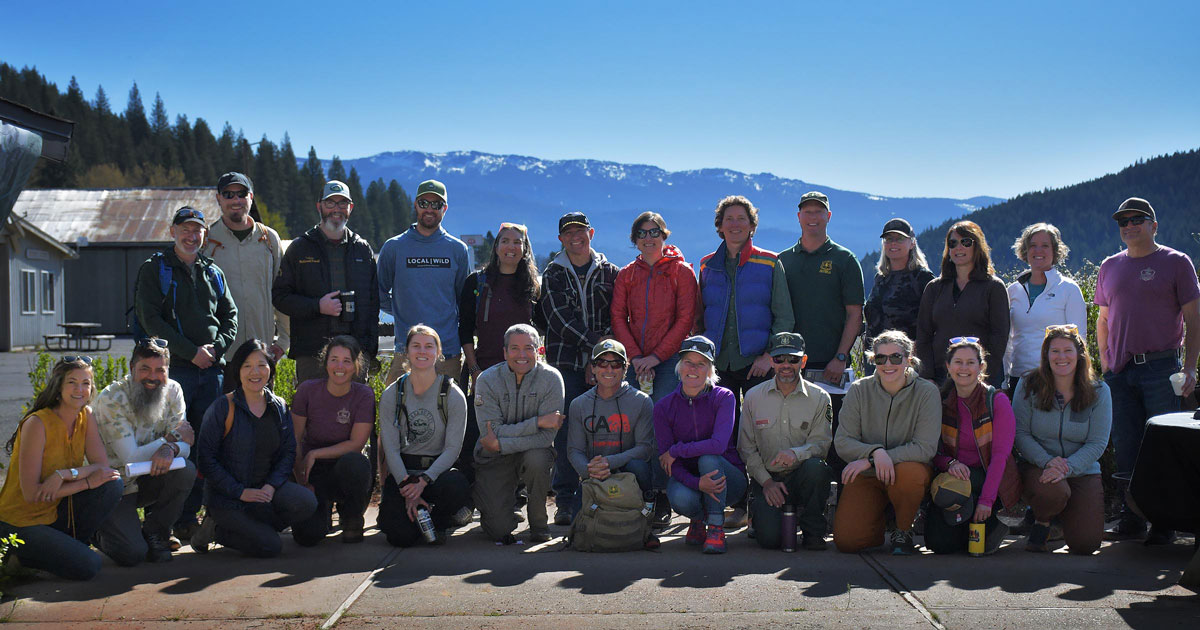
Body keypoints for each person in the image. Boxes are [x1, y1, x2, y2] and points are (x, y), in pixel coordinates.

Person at [1095, 197, 1199, 543]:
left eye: (1137, 219)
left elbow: (1193, 318)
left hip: (1161, 368)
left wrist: (1191, 367)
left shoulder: (1176, 262)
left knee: (1163, 446)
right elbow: (1104, 318)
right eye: (1123, 221)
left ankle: (1163, 521)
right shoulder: (1109, 266)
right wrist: (1106, 360)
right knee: (1126, 444)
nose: (1129, 225)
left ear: (1154, 225)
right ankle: (1132, 515)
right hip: (1120, 372)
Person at [133, 205, 237, 541]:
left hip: (211, 371)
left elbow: (230, 316)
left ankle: (190, 519)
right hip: (172, 371)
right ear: (173, 231)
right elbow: (151, 320)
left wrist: (215, 350)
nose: (192, 236)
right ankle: (159, 523)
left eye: (198, 230)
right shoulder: (155, 269)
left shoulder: (212, 271)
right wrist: (190, 353)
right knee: (166, 440)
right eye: (185, 230)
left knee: (205, 444)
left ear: (205, 235)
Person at [697, 196, 795, 529]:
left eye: (741, 218)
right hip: (719, 364)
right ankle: (736, 500)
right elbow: (700, 316)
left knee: (756, 434)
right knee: (723, 434)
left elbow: (783, 316)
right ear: (719, 226)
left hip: (758, 363)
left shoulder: (770, 262)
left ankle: (759, 500)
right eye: (729, 219)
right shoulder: (707, 265)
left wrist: (770, 356)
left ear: (752, 225)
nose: (735, 224)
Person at [191, 340, 317, 557]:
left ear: (271, 368)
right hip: (228, 498)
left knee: (306, 502)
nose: (255, 372)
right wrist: (240, 492)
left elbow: (287, 453)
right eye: (247, 366)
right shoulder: (222, 407)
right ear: (237, 370)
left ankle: (255, 528)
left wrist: (271, 485)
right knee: (271, 547)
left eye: (261, 365)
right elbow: (206, 460)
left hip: (264, 491)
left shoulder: (279, 406)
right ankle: (218, 530)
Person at [0, 357, 123, 580]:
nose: (80, 389)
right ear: (59, 387)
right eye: (72, 382)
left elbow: (102, 466)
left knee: (111, 483)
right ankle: (22, 556)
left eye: (86, 383)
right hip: (21, 521)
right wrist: (86, 482)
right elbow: (31, 494)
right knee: (89, 565)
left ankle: (66, 547)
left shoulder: (86, 415)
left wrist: (66, 475)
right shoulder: (37, 424)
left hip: (54, 511)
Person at [540, 212, 620, 526]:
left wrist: (598, 358)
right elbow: (558, 320)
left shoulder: (610, 272)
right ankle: (564, 500)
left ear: (591, 233)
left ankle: (606, 496)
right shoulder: (553, 273)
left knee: (607, 431)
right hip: (566, 366)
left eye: (581, 232)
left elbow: (619, 314)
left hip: (606, 368)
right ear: (561, 238)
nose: (576, 238)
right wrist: (594, 349)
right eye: (569, 233)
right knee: (566, 434)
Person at [778, 191, 865, 477]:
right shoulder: (782, 261)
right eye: (807, 212)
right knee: (792, 434)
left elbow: (855, 314)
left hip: (832, 367)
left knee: (835, 437)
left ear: (828, 216)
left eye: (819, 212)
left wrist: (841, 357)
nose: (813, 217)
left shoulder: (845, 260)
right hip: (791, 366)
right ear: (798, 216)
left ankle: (838, 504)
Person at [832, 330, 940, 555]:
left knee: (910, 474)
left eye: (895, 357)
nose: (888, 364)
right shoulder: (859, 390)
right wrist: (875, 454)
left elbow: (925, 448)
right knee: (848, 542)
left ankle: (904, 528)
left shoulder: (927, 392)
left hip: (905, 472)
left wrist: (879, 457)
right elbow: (842, 441)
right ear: (874, 360)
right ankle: (878, 519)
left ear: (909, 360)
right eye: (880, 358)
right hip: (868, 475)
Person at [92, 338, 197, 565]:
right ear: (131, 369)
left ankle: (155, 533)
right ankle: (98, 531)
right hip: (115, 485)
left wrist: (170, 447)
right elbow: (130, 457)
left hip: (149, 477)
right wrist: (170, 440)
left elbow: (186, 445)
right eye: (145, 369)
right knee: (132, 554)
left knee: (185, 471)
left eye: (160, 370)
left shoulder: (173, 390)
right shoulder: (112, 398)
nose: (153, 376)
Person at [1013, 324, 1112, 554]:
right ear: (1046, 356)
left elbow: (1097, 443)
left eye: (1067, 350)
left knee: (1086, 545)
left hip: (1081, 469)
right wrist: (1048, 462)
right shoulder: (1028, 384)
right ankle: (1043, 519)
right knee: (1054, 493)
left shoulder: (1099, 391)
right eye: (1054, 351)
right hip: (1039, 466)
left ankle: (1064, 517)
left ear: (1079, 354)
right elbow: (1020, 434)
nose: (1061, 357)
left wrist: (1066, 467)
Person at [272, 180, 379, 386]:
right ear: (319, 206)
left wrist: (368, 350)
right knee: (313, 414)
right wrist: (317, 306)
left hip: (354, 353)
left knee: (354, 415)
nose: (336, 210)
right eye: (330, 203)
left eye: (342, 204)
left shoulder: (363, 249)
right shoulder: (299, 248)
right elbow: (280, 297)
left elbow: (372, 304)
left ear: (351, 208)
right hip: (311, 354)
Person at [458, 222, 540, 489]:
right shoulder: (477, 282)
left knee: (518, 433)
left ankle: (516, 493)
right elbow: (465, 330)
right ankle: (474, 493)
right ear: (496, 246)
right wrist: (474, 370)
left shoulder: (533, 288)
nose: (511, 247)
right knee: (475, 436)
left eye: (518, 242)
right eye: (505, 240)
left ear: (525, 249)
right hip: (485, 373)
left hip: (524, 376)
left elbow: (542, 332)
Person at [738, 332, 834, 551]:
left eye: (793, 359)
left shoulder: (821, 398)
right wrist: (766, 482)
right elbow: (746, 449)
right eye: (780, 359)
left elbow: (822, 445)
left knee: (816, 468)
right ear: (771, 360)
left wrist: (796, 453)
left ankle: (813, 529)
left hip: (803, 476)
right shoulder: (753, 397)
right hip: (768, 480)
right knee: (770, 540)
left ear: (804, 361)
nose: (786, 365)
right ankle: (765, 516)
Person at [925, 339, 1020, 555]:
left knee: (980, 547)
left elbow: (1000, 457)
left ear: (981, 367)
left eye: (970, 362)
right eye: (958, 362)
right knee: (939, 545)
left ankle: (994, 519)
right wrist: (950, 462)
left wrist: (986, 501)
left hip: (989, 481)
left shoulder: (996, 401)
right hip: (955, 480)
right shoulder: (940, 401)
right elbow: (933, 450)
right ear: (948, 366)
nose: (964, 368)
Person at [378, 325, 470, 547]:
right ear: (406, 351)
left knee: (457, 485)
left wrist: (424, 482)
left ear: (438, 353)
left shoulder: (452, 394)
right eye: (416, 345)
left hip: (436, 474)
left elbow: (452, 450)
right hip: (404, 475)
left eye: (429, 346)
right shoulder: (393, 393)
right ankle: (416, 515)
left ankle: (440, 521)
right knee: (399, 538)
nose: (422, 351)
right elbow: (390, 448)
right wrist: (409, 488)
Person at [472, 324, 565, 544]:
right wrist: (539, 422)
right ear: (504, 352)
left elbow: (545, 438)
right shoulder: (486, 380)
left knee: (538, 457)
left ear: (539, 350)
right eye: (514, 348)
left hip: (525, 452)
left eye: (529, 348)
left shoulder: (552, 379)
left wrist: (502, 443)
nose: (522, 355)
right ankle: (497, 501)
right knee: (498, 529)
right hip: (494, 457)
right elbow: (491, 432)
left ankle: (538, 522)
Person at [655, 336, 747, 554]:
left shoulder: (724, 397)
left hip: (729, 480)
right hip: (689, 481)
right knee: (678, 496)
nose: (693, 369)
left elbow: (717, 445)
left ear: (710, 369)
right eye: (688, 362)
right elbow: (669, 464)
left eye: (701, 363)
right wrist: (697, 483)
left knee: (709, 459)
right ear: (679, 366)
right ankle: (698, 520)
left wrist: (677, 450)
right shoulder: (663, 407)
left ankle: (715, 527)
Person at [378, 179, 470, 385]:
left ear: (444, 208)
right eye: (424, 203)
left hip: (447, 352)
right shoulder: (393, 247)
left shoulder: (458, 250)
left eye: (436, 204)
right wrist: (401, 309)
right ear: (415, 205)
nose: (429, 209)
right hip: (406, 351)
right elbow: (379, 292)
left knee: (448, 413)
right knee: (397, 412)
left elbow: (463, 299)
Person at [289, 336, 375, 545]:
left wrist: (316, 454)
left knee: (357, 463)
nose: (340, 366)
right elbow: (294, 438)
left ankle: (351, 516)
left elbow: (357, 443)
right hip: (311, 470)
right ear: (325, 362)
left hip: (343, 467)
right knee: (307, 537)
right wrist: (302, 478)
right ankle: (321, 510)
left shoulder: (364, 395)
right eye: (334, 359)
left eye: (347, 361)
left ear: (356, 366)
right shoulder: (307, 390)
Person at [202, 172, 289, 364]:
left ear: (251, 197)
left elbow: (282, 292)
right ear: (218, 199)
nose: (236, 200)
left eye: (241, 193)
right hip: (221, 355)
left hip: (262, 352)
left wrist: (283, 342)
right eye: (228, 194)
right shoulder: (206, 241)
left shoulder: (269, 239)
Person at [612, 211, 697, 402]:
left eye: (654, 232)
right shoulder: (627, 274)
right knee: (635, 415)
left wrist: (656, 357)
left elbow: (686, 319)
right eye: (642, 233)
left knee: (662, 413)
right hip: (635, 361)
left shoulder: (681, 272)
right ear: (635, 239)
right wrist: (635, 357)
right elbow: (618, 317)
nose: (648, 238)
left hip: (671, 359)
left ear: (664, 235)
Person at [916, 220, 1009, 387]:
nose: (958, 248)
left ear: (977, 247)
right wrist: (927, 376)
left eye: (965, 242)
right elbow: (923, 335)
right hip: (939, 379)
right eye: (953, 243)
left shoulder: (994, 287)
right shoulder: (934, 288)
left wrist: (983, 377)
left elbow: (999, 338)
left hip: (980, 380)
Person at [567, 339, 656, 504]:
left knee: (640, 466)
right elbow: (574, 450)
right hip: (594, 474)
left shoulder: (642, 401)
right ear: (593, 367)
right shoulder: (578, 404)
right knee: (579, 527)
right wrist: (589, 470)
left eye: (616, 364)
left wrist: (609, 462)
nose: (609, 369)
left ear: (624, 369)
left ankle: (647, 509)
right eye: (602, 363)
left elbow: (645, 449)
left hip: (629, 472)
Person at [1003, 223, 1086, 395]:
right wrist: (1005, 378)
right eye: (1033, 245)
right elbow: (1008, 340)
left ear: (1055, 251)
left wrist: (1077, 380)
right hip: (1018, 379)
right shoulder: (1013, 290)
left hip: (1055, 378)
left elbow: (1079, 340)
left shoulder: (1069, 289)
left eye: (1045, 246)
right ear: (1025, 250)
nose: (1038, 251)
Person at [864, 218, 935, 365]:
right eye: (889, 239)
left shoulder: (923, 278)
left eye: (900, 239)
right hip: (877, 359)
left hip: (906, 362)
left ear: (912, 243)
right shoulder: (881, 278)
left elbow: (933, 323)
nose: (893, 243)